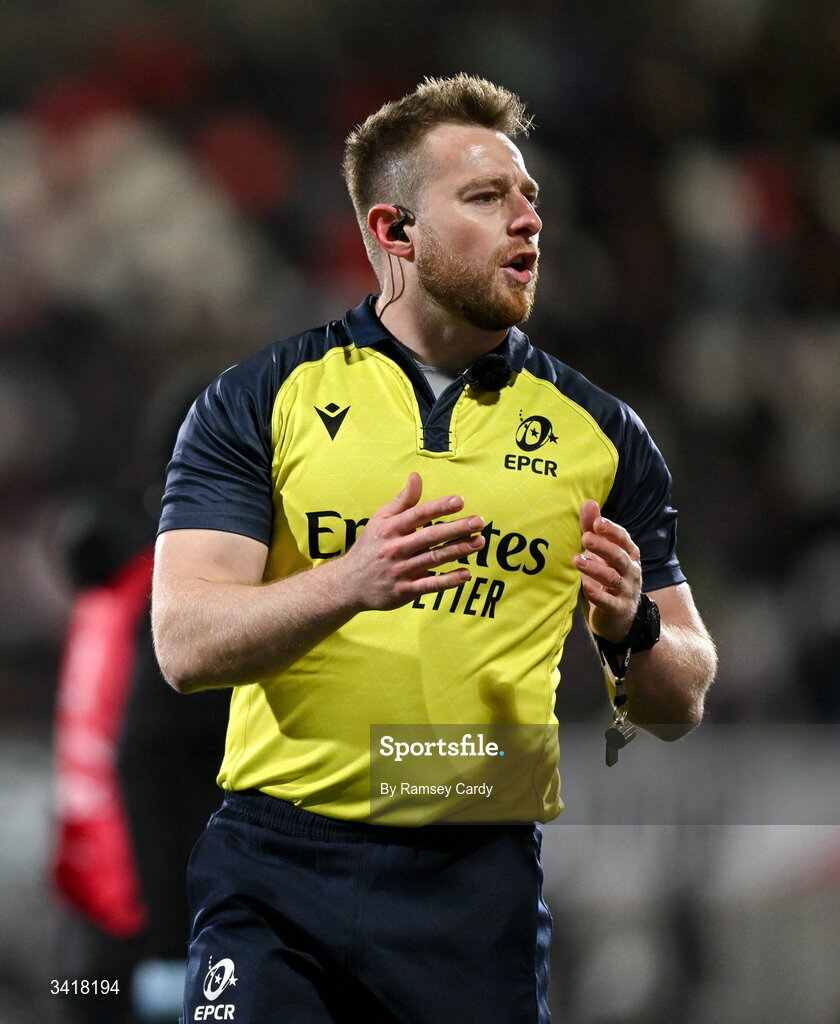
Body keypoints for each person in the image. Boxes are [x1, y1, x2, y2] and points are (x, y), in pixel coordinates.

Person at [152, 74, 716, 1024]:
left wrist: (632, 627)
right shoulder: (259, 401)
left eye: (529, 197)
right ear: (395, 230)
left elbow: (685, 695)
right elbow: (183, 643)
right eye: (487, 198)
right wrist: (349, 581)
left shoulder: (602, 435)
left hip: (475, 877)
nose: (528, 222)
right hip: (276, 866)